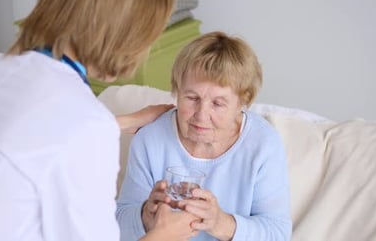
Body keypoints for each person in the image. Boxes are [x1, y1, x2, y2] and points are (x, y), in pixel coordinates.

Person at [0, 0, 198, 240]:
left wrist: (121, 122)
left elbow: (34, 136)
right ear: (123, 37)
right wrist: (165, 234)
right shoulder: (85, 125)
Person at [116, 31, 292, 241]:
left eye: (218, 103)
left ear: (242, 103)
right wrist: (145, 217)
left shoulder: (263, 144)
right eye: (192, 98)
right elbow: (118, 222)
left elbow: (278, 234)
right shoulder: (151, 138)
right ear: (177, 91)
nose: (201, 115)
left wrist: (220, 223)